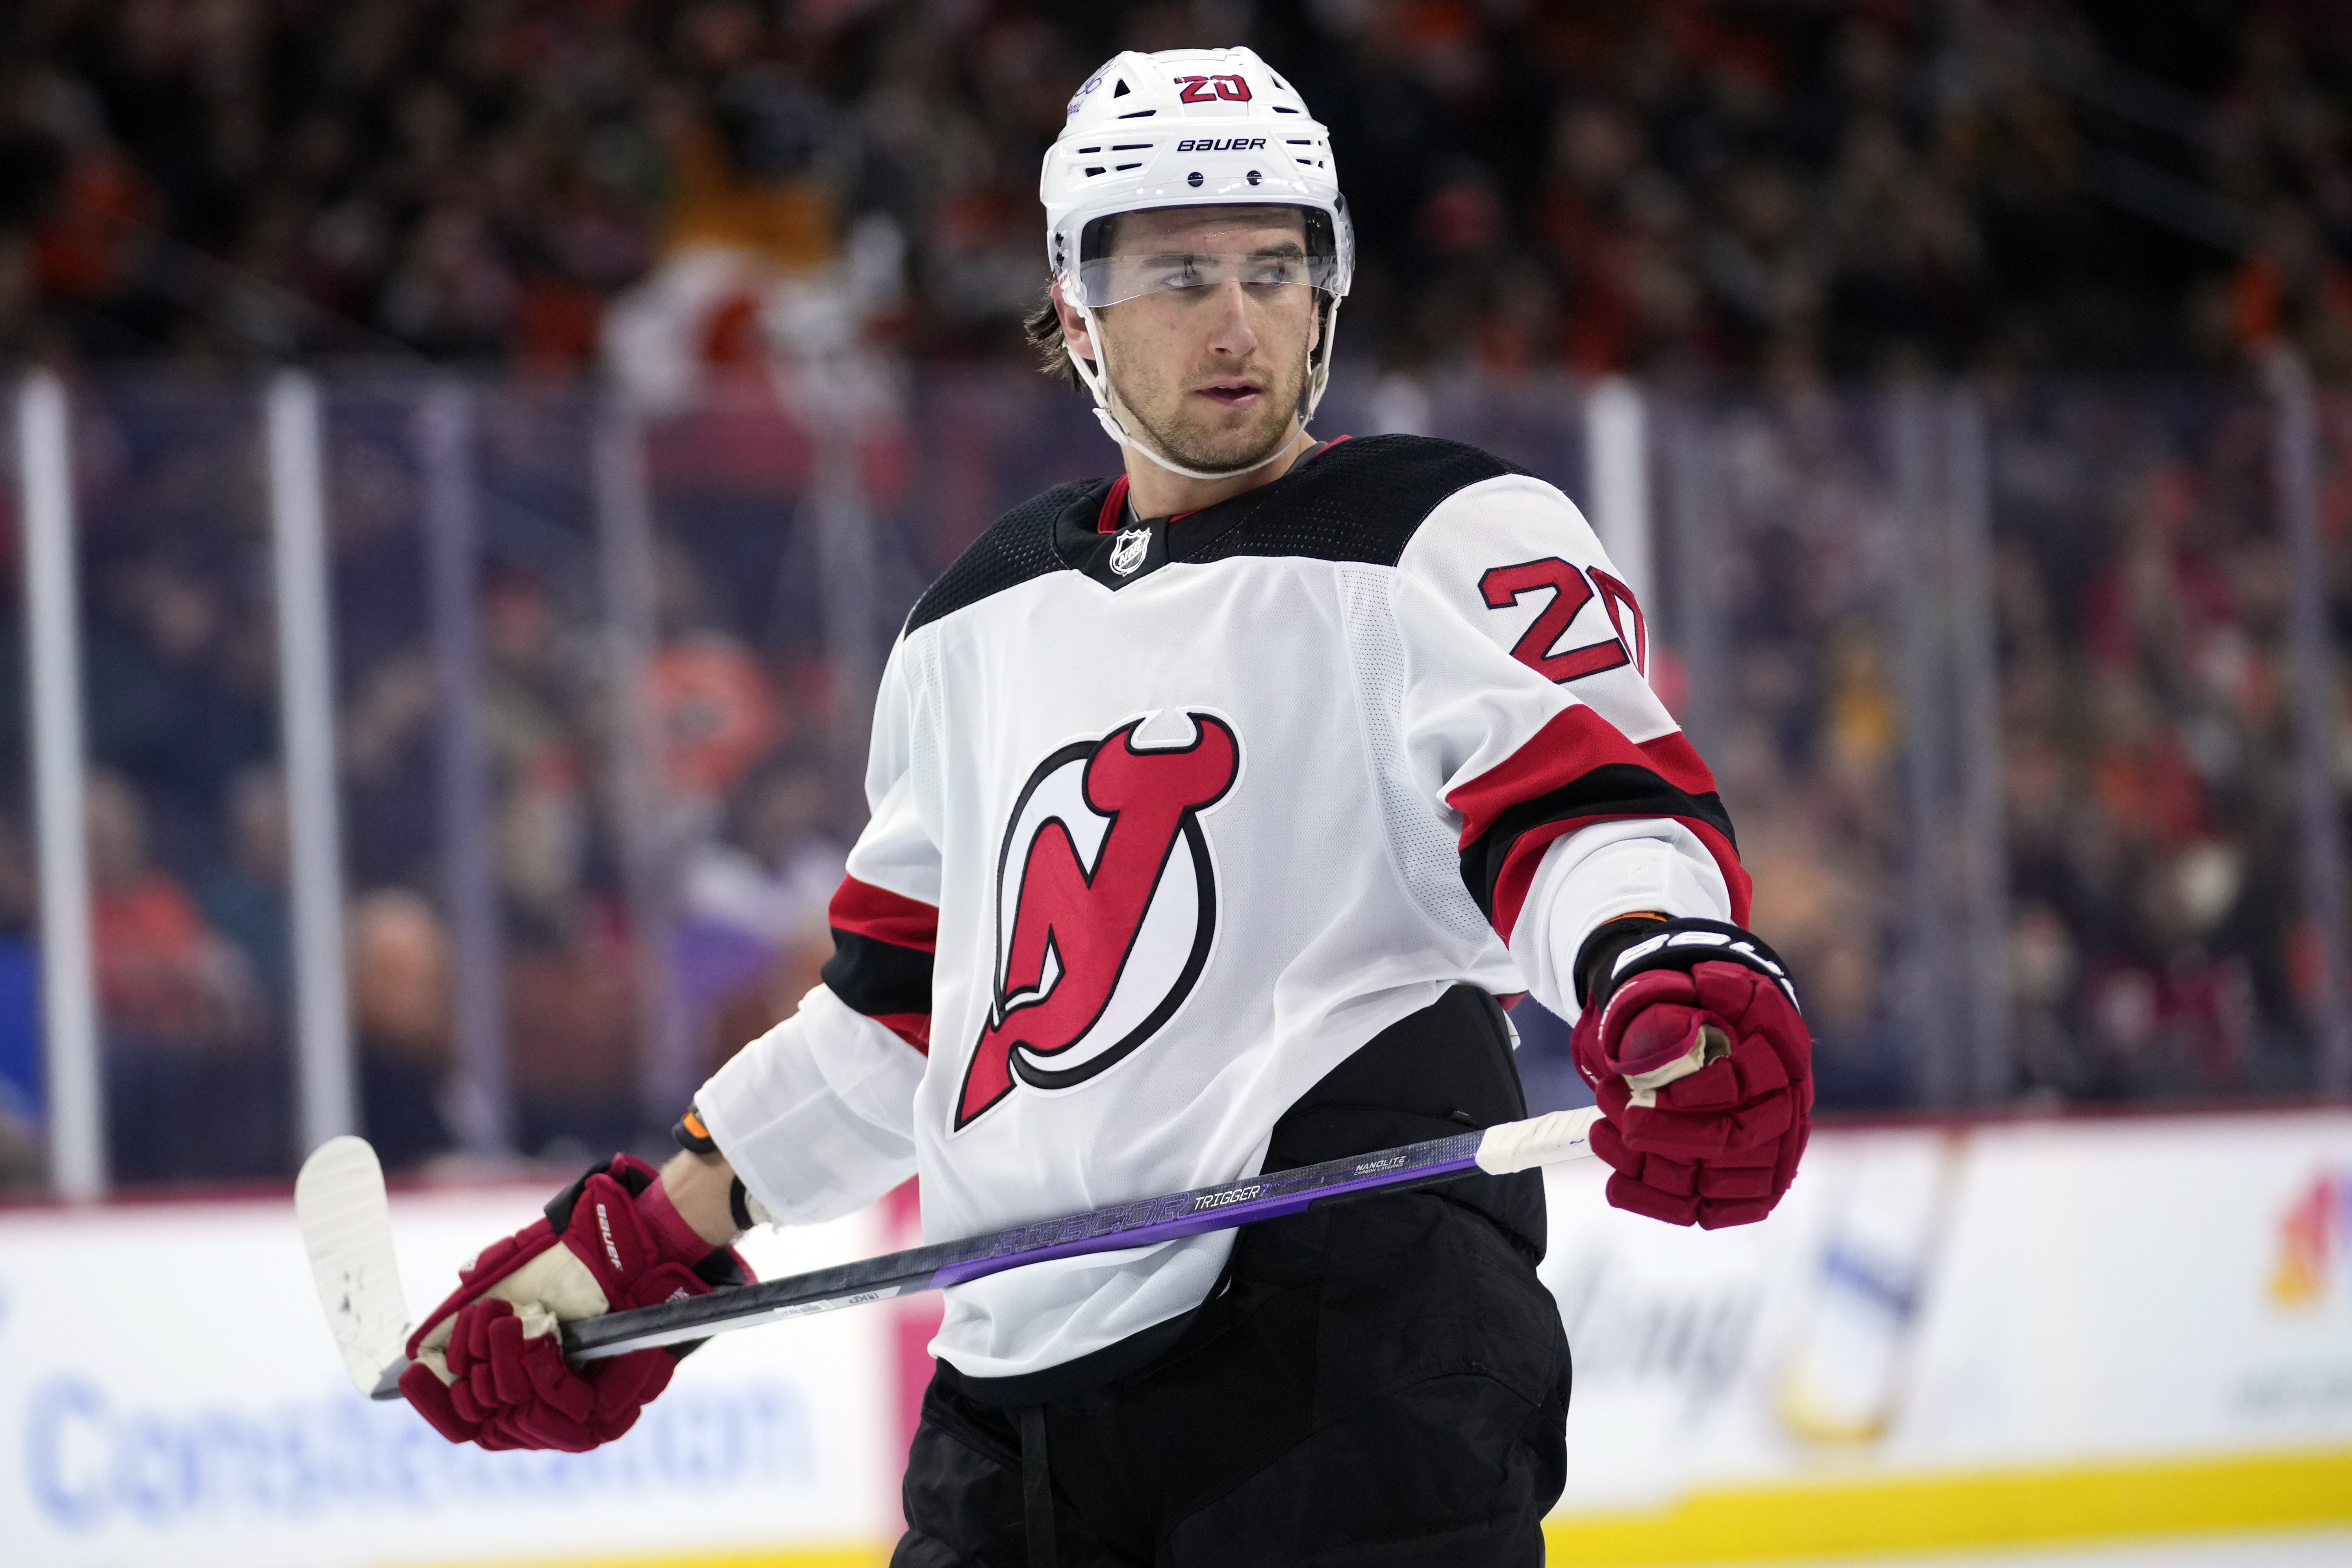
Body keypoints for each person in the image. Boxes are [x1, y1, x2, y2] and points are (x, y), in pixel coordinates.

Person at [397, 48, 1811, 1566]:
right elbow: (903, 1020)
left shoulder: (1435, 529)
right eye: (1181, 271)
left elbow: (1588, 809)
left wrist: (1662, 965)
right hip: (1013, 1425)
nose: (1238, 319)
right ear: (1077, 306)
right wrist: (651, 1236)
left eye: (1279, 267)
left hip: (1351, 1357)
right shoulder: (969, 625)